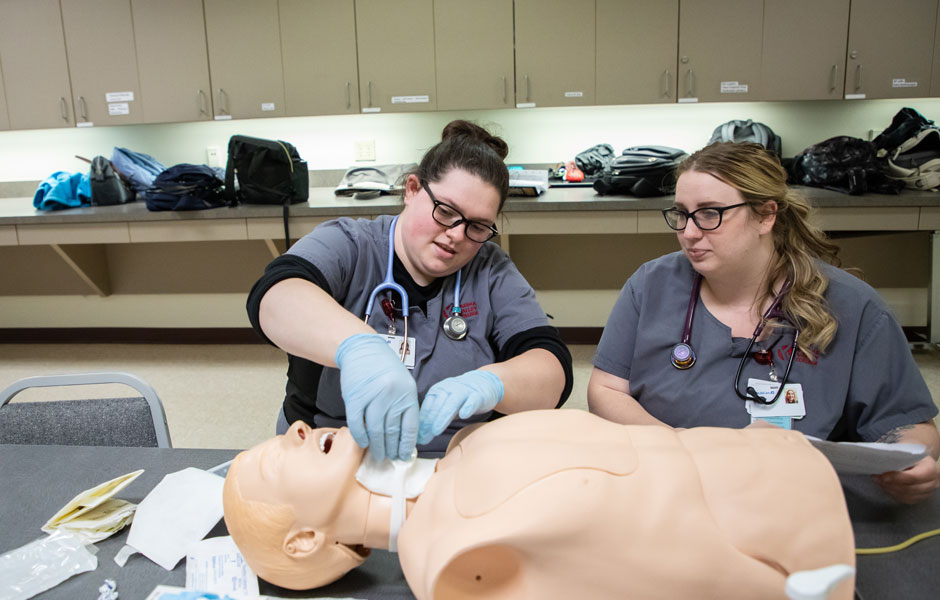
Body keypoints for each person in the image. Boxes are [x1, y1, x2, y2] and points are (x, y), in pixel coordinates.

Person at [588, 141, 940, 504]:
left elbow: (908, 424)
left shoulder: (851, 306)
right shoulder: (652, 285)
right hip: (668, 487)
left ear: (766, 215)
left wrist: (915, 460)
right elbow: (607, 390)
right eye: (681, 213)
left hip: (794, 499)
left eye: (710, 213)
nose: (689, 232)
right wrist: (680, 448)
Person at [222, 410, 856, 599]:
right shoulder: (452, 561)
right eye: (278, 456)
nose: (297, 427)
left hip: (775, 462)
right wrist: (778, 587)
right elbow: (640, 569)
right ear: (303, 540)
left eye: (283, 433)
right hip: (792, 544)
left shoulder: (463, 453)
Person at [247, 120, 571, 461]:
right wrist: (359, 349)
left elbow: (551, 369)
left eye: (476, 226)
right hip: (331, 457)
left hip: (451, 466)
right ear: (413, 189)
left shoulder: (491, 270)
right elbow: (275, 294)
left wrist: (492, 383)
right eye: (445, 211)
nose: (457, 235)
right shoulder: (351, 244)